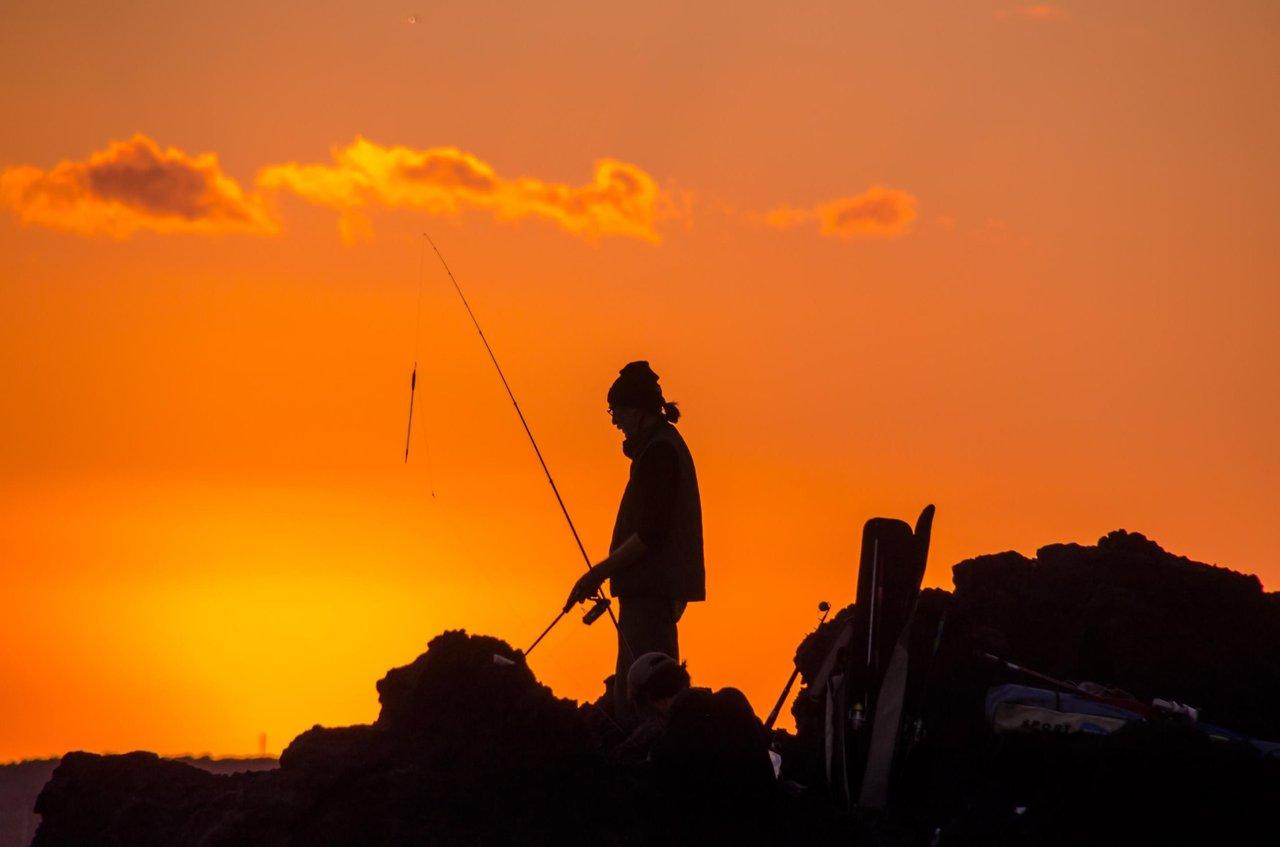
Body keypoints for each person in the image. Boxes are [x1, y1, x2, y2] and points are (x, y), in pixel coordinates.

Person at [563, 361, 705, 725]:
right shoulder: (659, 448)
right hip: (651, 592)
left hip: (650, 594)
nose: (614, 421)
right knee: (636, 688)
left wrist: (598, 572)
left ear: (639, 411)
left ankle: (644, 767)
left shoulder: (660, 453)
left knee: (647, 696)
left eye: (618, 411)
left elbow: (649, 535)